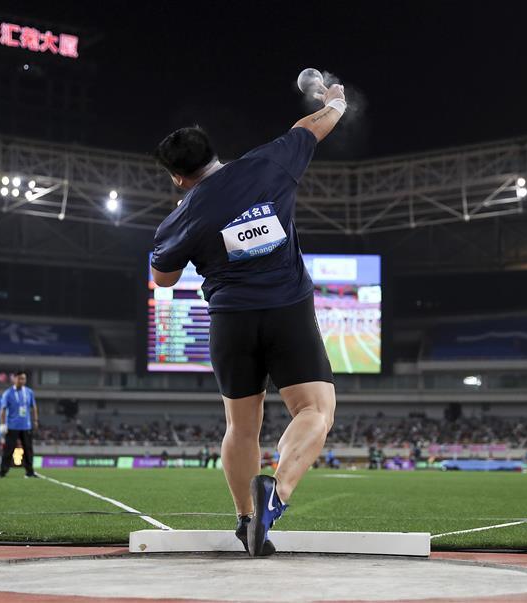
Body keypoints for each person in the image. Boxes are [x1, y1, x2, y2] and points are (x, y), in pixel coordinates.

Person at [150, 82, 347, 556]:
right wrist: (335, 100)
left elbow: (163, 278)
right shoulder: (269, 162)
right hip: (288, 312)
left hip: (231, 322)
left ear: (178, 177)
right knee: (315, 410)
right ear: (214, 153)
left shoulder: (184, 214)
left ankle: (245, 519)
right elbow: (312, 126)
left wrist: (194, 229)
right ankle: (275, 494)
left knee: (241, 427)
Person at [0, 371, 38, 478]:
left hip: (26, 426)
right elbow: (3, 409)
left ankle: (30, 472)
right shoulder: (8, 393)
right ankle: (3, 471)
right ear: (14, 379)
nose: (22, 381)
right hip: (12, 426)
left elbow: (33, 407)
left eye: (24, 379)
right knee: (8, 449)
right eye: (20, 378)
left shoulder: (29, 392)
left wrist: (35, 420)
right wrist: (2, 424)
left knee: (28, 449)